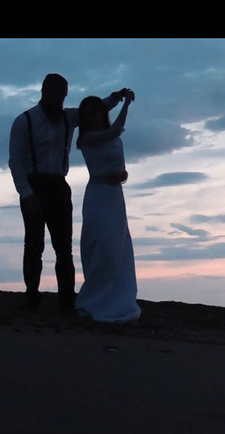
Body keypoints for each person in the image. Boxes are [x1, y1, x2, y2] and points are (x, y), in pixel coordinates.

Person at [8, 73, 128, 311]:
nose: (61, 102)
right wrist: (26, 193)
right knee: (33, 244)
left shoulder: (68, 117)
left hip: (59, 187)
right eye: (57, 96)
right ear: (44, 92)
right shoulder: (24, 121)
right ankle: (32, 295)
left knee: (63, 247)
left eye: (64, 97)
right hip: (34, 186)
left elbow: (96, 108)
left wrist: (117, 97)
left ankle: (66, 300)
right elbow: (15, 161)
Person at [75, 87, 142, 323]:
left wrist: (122, 174)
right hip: (99, 196)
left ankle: (117, 297)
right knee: (102, 246)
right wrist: (125, 104)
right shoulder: (87, 138)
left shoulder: (106, 134)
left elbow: (117, 159)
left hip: (115, 196)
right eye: (87, 114)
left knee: (118, 247)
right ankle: (97, 299)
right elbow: (117, 130)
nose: (92, 117)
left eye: (95, 112)